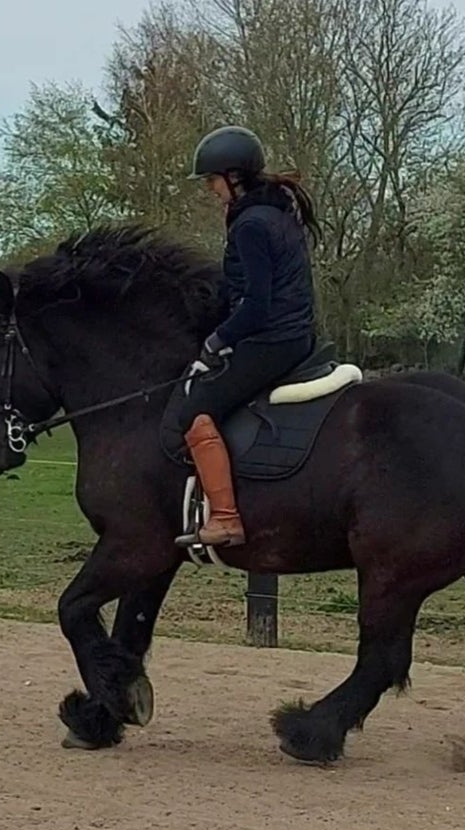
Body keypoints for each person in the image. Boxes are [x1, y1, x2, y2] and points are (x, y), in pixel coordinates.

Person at [175, 125, 320, 549]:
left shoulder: (251, 225)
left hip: (273, 339)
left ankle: (224, 518)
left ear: (234, 177)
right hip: (294, 333)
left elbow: (257, 304)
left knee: (196, 412)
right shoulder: (274, 213)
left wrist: (216, 342)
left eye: (212, 181)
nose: (210, 189)